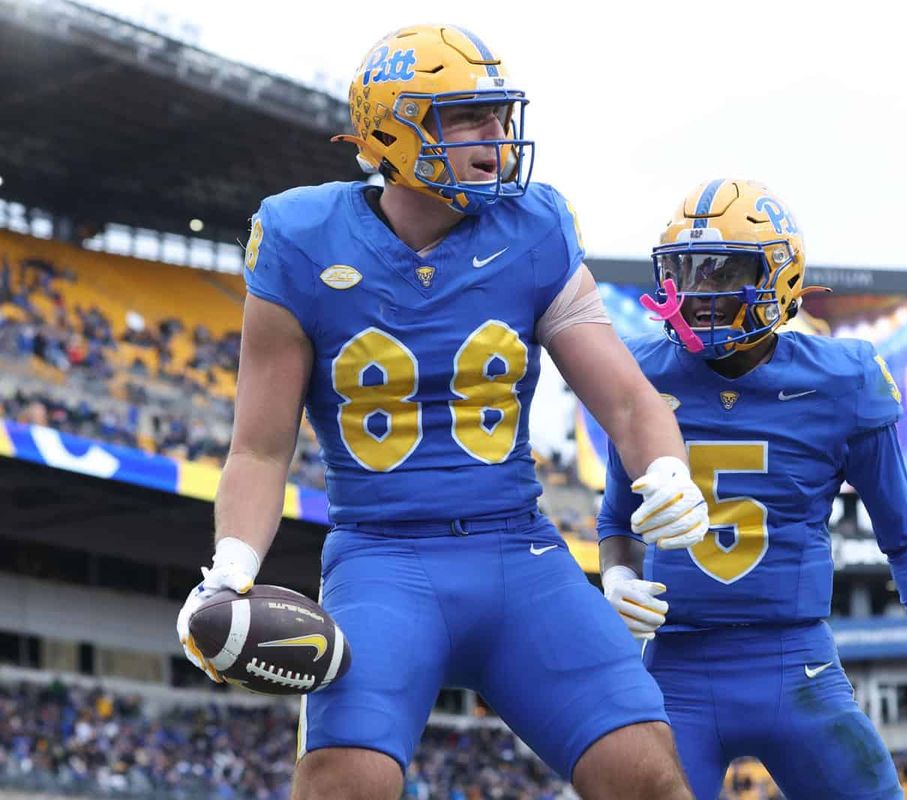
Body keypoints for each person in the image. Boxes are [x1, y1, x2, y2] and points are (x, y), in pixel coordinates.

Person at [174, 25, 709, 800]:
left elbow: (629, 400)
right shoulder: (300, 238)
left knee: (650, 778)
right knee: (342, 787)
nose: (497, 135)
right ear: (394, 131)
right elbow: (259, 449)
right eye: (468, 117)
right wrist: (230, 570)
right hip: (381, 559)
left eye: (499, 114)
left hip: (518, 552)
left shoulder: (534, 228)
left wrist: (668, 468)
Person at [597, 179, 907, 799]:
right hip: (676, 667)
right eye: (685, 271)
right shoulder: (638, 371)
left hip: (795, 662)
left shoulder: (843, 380)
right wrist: (616, 574)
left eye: (722, 272)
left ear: (779, 278)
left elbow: (903, 534)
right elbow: (618, 520)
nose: (697, 292)